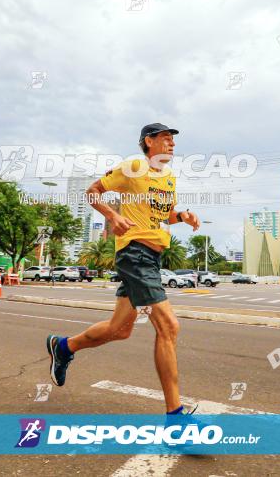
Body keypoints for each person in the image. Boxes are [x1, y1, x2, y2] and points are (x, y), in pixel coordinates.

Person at [46, 123, 201, 416]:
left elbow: (163, 214)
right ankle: (175, 418)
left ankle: (64, 347)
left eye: (173, 140)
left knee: (120, 330)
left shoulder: (169, 178)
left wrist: (183, 216)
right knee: (168, 326)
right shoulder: (132, 166)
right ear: (148, 142)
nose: (172, 144)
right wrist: (112, 216)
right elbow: (94, 192)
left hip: (153, 257)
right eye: (166, 139)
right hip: (134, 253)